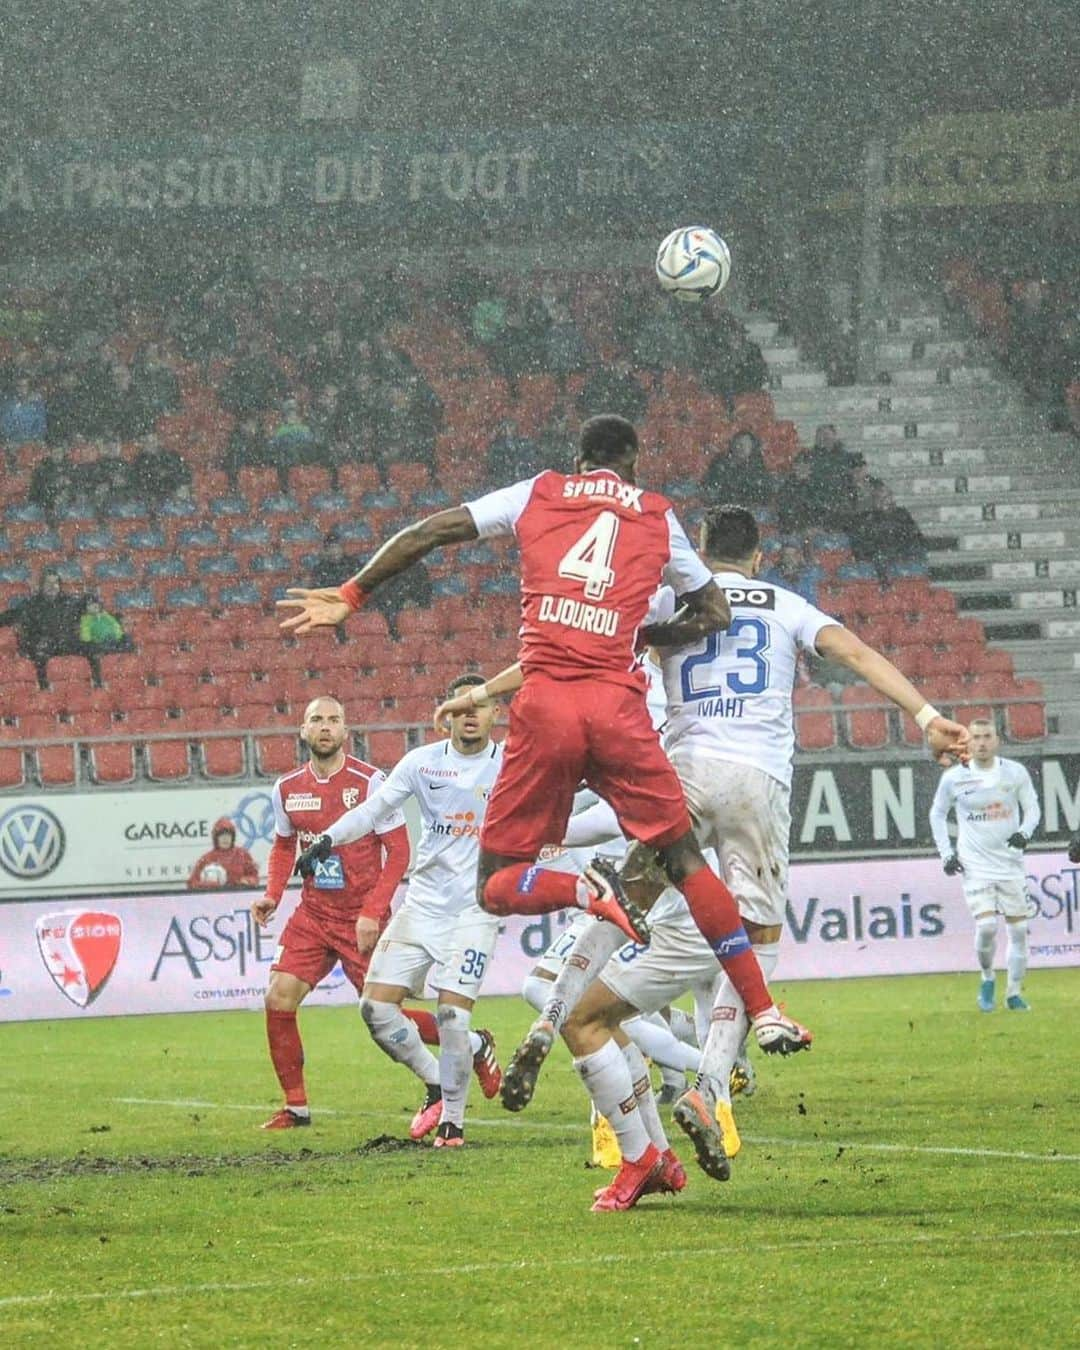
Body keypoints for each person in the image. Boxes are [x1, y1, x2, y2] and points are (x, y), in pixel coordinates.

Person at [282, 414, 814, 1211]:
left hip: (548, 705)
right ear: (631, 466)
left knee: (496, 882)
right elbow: (715, 617)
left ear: (578, 459)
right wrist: (642, 634)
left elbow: (434, 529)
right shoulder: (656, 512)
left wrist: (353, 594)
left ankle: (581, 896)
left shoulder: (539, 493)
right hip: (620, 705)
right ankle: (762, 1014)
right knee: (684, 862)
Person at [442, 504, 971, 1191]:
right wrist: (927, 716)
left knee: (624, 898)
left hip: (681, 770)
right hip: (757, 777)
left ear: (700, 551)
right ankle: (710, 1083)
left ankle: (548, 1021)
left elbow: (560, 655)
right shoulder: (785, 603)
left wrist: (484, 689)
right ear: (758, 555)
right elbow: (856, 653)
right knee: (757, 933)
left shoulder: (665, 602)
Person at [302, 674, 506, 1148]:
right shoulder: (422, 763)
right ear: (446, 717)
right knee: (374, 1007)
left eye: (480, 706)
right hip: (423, 905)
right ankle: (454, 1069)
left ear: (496, 713)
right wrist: (326, 840)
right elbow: (373, 812)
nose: (470, 715)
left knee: (452, 1015)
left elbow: (560, 798)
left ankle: (453, 1122)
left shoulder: (512, 763)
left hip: (476, 909)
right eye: (459, 708)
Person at [251, 696, 411, 1129]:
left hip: (361, 916)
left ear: (346, 732)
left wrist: (373, 912)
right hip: (314, 914)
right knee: (277, 998)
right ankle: (296, 1107)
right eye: (316, 719)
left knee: (385, 1012)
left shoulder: (371, 782)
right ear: (303, 731)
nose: (325, 727)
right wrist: (273, 894)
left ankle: (470, 1046)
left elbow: (398, 853)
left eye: (333, 720)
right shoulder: (287, 789)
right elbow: (285, 845)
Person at [930, 718, 1040, 1013]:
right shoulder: (954, 777)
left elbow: (1033, 808)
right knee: (988, 926)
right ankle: (987, 977)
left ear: (997, 740)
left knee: (1018, 931)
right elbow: (937, 814)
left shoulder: (1015, 773)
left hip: (1010, 864)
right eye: (975, 737)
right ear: (968, 742)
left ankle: (1014, 993)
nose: (980, 742)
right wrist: (946, 853)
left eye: (986, 736)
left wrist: (1024, 833)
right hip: (975, 864)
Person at [0, 569, 87, 689]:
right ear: (42, 585)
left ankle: (93, 687)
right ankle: (43, 687)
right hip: (39, 643)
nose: (53, 586)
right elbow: (11, 615)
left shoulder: (69, 602)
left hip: (64, 643)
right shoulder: (31, 604)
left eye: (56, 583)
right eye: (49, 583)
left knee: (93, 648)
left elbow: (91, 609)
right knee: (43, 648)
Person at [702, 430, 773, 508]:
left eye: (746, 445)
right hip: (721, 506)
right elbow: (710, 486)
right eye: (738, 444)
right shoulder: (720, 463)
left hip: (749, 508)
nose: (740, 447)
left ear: (752, 448)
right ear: (732, 445)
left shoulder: (757, 467)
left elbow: (761, 494)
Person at [187, 818, 260, 892]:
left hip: (239, 898)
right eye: (222, 836)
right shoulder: (207, 858)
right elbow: (192, 883)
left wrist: (247, 881)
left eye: (228, 835)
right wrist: (208, 885)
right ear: (216, 838)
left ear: (233, 837)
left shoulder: (243, 855)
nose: (225, 839)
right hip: (214, 899)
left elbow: (254, 877)